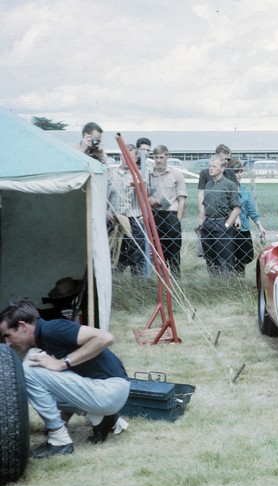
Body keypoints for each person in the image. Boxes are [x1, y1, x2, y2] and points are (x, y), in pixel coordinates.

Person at [0, 299, 130, 458]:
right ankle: (100, 418)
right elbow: (64, 383)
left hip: (110, 390)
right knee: (34, 361)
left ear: (22, 326)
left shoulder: (52, 329)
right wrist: (62, 419)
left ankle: (59, 441)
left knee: (28, 370)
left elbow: (106, 338)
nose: (7, 344)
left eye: (8, 336)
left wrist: (63, 363)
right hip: (106, 392)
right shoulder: (43, 340)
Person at [148, 145, 187, 277]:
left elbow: (181, 199)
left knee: (174, 253)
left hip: (171, 215)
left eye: (161, 157)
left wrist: (177, 221)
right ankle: (160, 279)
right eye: (156, 157)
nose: (158, 160)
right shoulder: (148, 175)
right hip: (155, 215)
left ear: (167, 156)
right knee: (157, 252)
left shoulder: (176, 174)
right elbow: (143, 194)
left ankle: (175, 279)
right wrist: (150, 199)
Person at [107, 143, 146, 275]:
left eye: (130, 157)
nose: (126, 159)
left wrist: (140, 187)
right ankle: (116, 281)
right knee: (114, 252)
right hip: (114, 219)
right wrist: (105, 211)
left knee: (137, 253)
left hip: (132, 219)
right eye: (124, 156)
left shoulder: (139, 175)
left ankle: (137, 282)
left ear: (136, 159)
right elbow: (103, 195)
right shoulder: (110, 174)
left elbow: (146, 196)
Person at [200, 155, 241, 274]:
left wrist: (227, 225)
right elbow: (205, 206)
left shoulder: (230, 185)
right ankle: (213, 281)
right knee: (210, 257)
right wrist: (203, 223)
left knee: (225, 258)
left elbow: (236, 208)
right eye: (210, 166)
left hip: (222, 223)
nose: (211, 169)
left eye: (214, 166)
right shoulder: (208, 185)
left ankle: (226, 282)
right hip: (208, 224)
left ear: (222, 168)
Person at [229, 159, 267, 274]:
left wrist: (260, 226)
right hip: (230, 230)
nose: (239, 174)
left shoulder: (244, 190)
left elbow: (251, 209)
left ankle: (239, 276)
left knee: (247, 256)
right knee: (232, 257)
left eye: (241, 171)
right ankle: (232, 279)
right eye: (236, 172)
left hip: (244, 228)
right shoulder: (226, 189)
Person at [197, 144, 236, 226]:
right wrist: (202, 216)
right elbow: (201, 196)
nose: (226, 162)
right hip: (209, 216)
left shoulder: (230, 173)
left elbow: (235, 198)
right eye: (224, 159)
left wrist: (236, 218)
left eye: (228, 159)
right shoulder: (205, 173)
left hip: (227, 216)